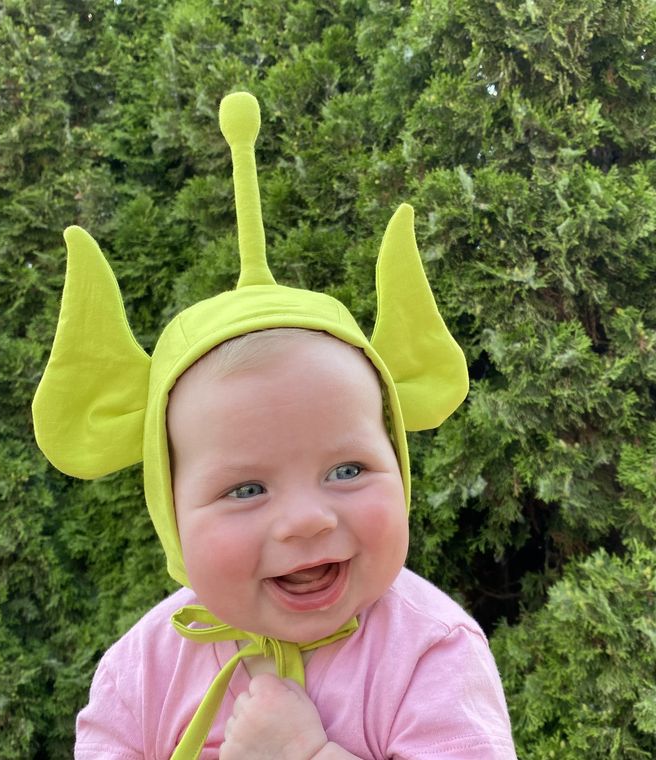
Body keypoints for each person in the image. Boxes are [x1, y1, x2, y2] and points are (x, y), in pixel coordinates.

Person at [33, 92, 517, 759]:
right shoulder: (136, 677)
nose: (306, 520)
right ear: (169, 511)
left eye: (347, 470)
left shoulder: (431, 654)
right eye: (246, 489)